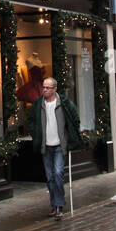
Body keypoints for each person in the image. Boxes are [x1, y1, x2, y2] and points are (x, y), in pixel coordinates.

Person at [27, 77, 79, 220]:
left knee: (57, 174)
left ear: (55, 89)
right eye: (44, 87)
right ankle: (54, 205)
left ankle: (60, 205)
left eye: (48, 88)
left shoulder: (64, 103)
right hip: (46, 145)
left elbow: (74, 118)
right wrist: (35, 134)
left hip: (59, 145)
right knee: (50, 177)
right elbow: (30, 120)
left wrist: (71, 136)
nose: (44, 90)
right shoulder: (39, 104)